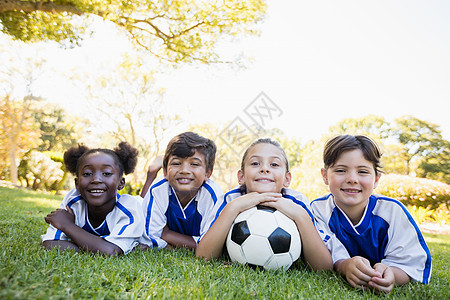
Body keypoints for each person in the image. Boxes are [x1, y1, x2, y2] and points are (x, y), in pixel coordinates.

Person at [310, 135, 432, 293]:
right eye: (341, 170)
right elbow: (324, 256)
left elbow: (410, 265)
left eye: (362, 171)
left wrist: (391, 274)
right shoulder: (318, 210)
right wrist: (345, 265)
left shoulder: (392, 211)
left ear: (376, 179)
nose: (352, 179)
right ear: (325, 176)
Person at [196, 138, 333, 271]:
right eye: (255, 163)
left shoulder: (297, 202)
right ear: (241, 177)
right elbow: (203, 256)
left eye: (274, 164)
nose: (264, 169)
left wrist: (300, 216)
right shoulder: (230, 199)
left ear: (287, 179)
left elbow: (324, 267)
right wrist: (233, 209)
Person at [41, 142, 144, 256]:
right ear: (77, 183)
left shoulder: (130, 208)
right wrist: (96, 247)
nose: (96, 179)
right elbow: (50, 244)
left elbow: (110, 251)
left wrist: (67, 225)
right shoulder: (73, 202)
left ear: (121, 183)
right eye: (87, 174)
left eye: (106, 173)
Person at [139, 132, 223, 250]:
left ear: (208, 173)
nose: (184, 170)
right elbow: (149, 238)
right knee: (138, 203)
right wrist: (192, 244)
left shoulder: (212, 194)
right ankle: (151, 173)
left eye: (194, 164)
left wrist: (166, 234)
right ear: (165, 171)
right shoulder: (159, 189)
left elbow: (209, 245)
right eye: (176, 163)